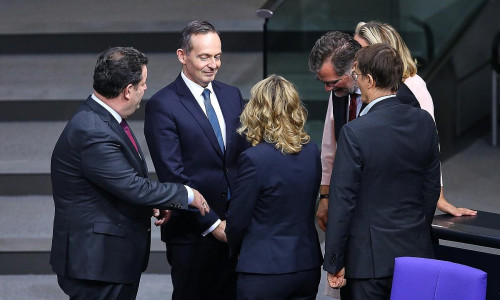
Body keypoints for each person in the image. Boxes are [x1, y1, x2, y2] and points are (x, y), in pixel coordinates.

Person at [50, 47, 209, 300]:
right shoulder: (93, 131)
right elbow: (132, 186)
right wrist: (186, 194)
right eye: (143, 84)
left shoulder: (103, 119)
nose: (145, 89)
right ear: (127, 91)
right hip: (97, 265)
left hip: (107, 261)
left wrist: (154, 202)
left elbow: (114, 184)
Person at [324, 43, 441, 300]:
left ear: (370, 79)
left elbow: (343, 201)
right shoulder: (424, 122)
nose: (356, 82)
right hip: (416, 254)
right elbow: (431, 188)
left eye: (357, 76)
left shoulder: (355, 133)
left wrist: (334, 261)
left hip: (368, 264)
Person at [144, 20, 248, 300]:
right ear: (182, 56)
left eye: (217, 56)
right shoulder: (162, 105)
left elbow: (240, 159)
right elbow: (172, 174)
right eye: (204, 57)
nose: (213, 64)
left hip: (236, 230)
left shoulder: (231, 95)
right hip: (193, 235)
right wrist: (214, 224)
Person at [353, 20, 477, 217]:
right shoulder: (350, 83)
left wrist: (439, 196)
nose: (356, 57)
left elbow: (430, 143)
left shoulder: (413, 86)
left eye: (362, 50)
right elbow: (332, 141)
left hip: (399, 194)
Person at [225, 75, 323, 300]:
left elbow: (238, 220)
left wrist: (235, 251)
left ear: (257, 110)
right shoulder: (312, 151)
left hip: (263, 270)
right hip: (306, 265)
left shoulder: (253, 158)